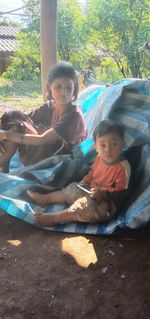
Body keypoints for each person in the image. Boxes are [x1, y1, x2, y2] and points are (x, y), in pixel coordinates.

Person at [27, 119, 133, 226]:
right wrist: (85, 181)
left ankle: (56, 217)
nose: (108, 150)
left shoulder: (123, 167)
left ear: (123, 144)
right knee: (72, 187)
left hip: (106, 204)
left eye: (114, 144)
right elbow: (92, 173)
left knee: (85, 206)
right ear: (95, 147)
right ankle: (46, 199)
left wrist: (103, 192)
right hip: (90, 192)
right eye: (103, 145)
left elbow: (122, 192)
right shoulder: (99, 158)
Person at [0, 62, 86, 173]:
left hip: (56, 161)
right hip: (40, 155)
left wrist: (6, 135)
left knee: (14, 127)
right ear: (50, 87)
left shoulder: (74, 115)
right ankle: (4, 166)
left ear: (74, 89)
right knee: (13, 116)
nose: (64, 93)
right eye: (58, 87)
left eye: (69, 88)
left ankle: (3, 166)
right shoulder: (49, 107)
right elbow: (23, 120)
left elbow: (42, 140)